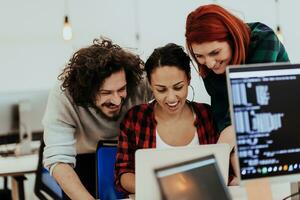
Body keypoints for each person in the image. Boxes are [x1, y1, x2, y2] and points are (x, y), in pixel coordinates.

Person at [185, 4, 290, 184]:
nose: (209, 63)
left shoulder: (263, 39)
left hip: (283, 130)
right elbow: (222, 116)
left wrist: (215, 162)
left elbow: (245, 108)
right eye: (200, 56)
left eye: (215, 52)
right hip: (244, 142)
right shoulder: (210, 68)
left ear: (232, 37)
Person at [42, 38, 152, 200]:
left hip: (132, 160)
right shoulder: (64, 95)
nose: (117, 100)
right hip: (83, 166)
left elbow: (168, 90)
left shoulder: (139, 82)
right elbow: (58, 160)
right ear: (86, 90)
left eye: (121, 89)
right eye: (106, 92)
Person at [114, 43, 219, 194]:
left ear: (189, 79)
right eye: (161, 89)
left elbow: (223, 169)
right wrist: (162, 190)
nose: (171, 98)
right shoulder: (135, 118)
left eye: (178, 87)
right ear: (150, 85)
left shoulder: (206, 115)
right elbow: (123, 173)